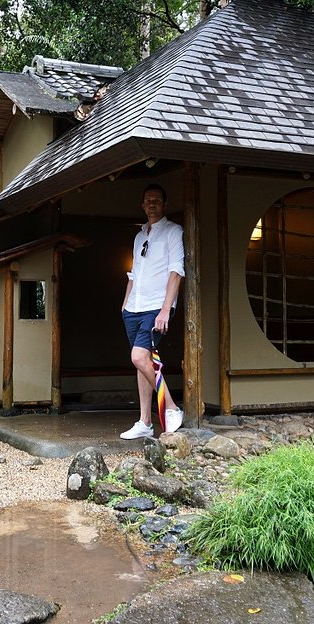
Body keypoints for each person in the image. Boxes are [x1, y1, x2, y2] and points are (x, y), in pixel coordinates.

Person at [119, 183, 185, 439]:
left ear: (165, 204)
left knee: (138, 357)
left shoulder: (173, 231)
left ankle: (171, 407)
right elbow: (134, 273)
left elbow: (176, 271)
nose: (152, 203)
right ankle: (145, 422)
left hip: (156, 307)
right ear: (142, 205)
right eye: (148, 200)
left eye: (157, 199)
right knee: (142, 362)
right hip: (133, 307)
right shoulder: (139, 236)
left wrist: (166, 309)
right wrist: (125, 303)